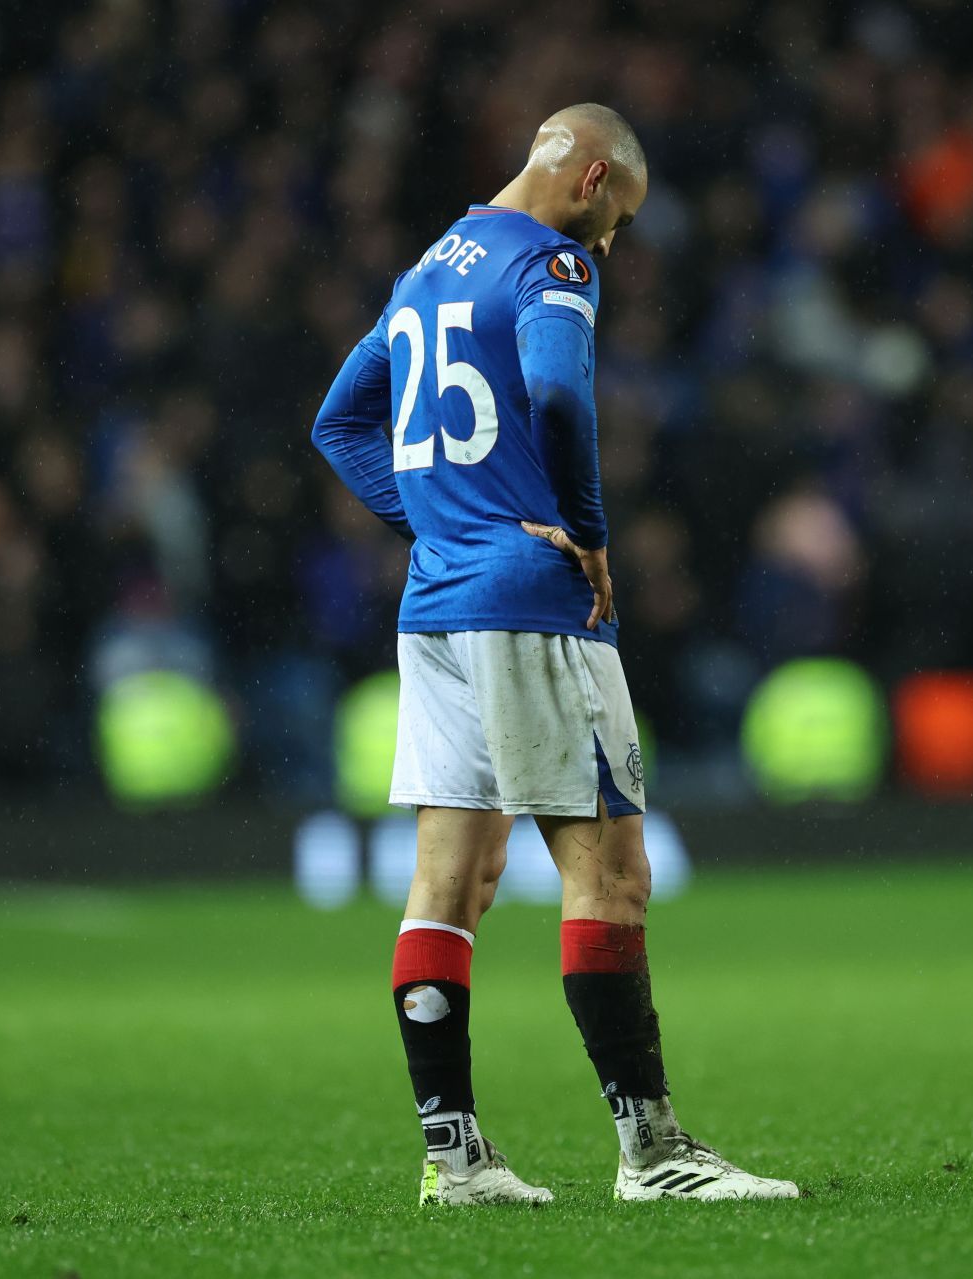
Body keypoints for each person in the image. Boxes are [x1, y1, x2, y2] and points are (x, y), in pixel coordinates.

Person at [312, 104, 798, 1206]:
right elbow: (560, 390)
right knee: (610, 876)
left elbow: (339, 425)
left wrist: (438, 529)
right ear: (588, 177)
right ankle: (654, 1152)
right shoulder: (554, 263)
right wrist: (587, 528)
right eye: (617, 216)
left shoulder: (431, 265)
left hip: (435, 610)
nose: (611, 246)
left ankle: (455, 1157)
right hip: (534, 604)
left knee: (451, 881)